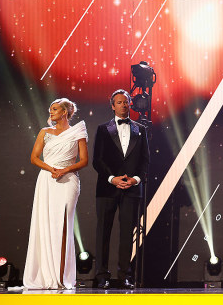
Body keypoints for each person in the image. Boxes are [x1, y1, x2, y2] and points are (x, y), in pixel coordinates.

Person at [23, 98, 88, 289]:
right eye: (50, 109)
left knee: (63, 226)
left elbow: (83, 160)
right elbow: (34, 158)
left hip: (68, 181)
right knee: (45, 225)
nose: (51, 112)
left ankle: (61, 277)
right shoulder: (45, 132)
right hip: (47, 180)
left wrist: (65, 170)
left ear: (65, 112)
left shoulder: (78, 131)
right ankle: (45, 276)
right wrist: (51, 169)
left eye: (55, 109)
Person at [93, 89, 149, 289]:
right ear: (112, 105)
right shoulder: (102, 129)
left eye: (126, 102)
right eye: (119, 102)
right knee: (103, 233)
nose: (123, 105)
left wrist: (134, 180)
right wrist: (112, 178)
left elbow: (145, 161)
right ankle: (102, 276)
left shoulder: (140, 129)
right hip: (107, 188)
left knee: (127, 234)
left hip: (131, 189)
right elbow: (97, 160)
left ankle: (125, 275)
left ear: (130, 104)